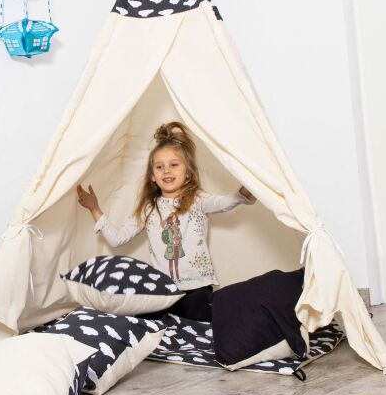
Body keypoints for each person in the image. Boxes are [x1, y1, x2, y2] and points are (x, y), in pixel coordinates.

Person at [75, 121, 255, 322]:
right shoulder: (149, 208)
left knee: (200, 321)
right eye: (159, 167)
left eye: (174, 165)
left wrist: (243, 193)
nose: (166, 171)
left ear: (188, 172)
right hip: (163, 290)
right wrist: (95, 208)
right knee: (144, 321)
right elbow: (117, 239)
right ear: (153, 176)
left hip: (196, 287)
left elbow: (223, 203)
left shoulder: (198, 200)